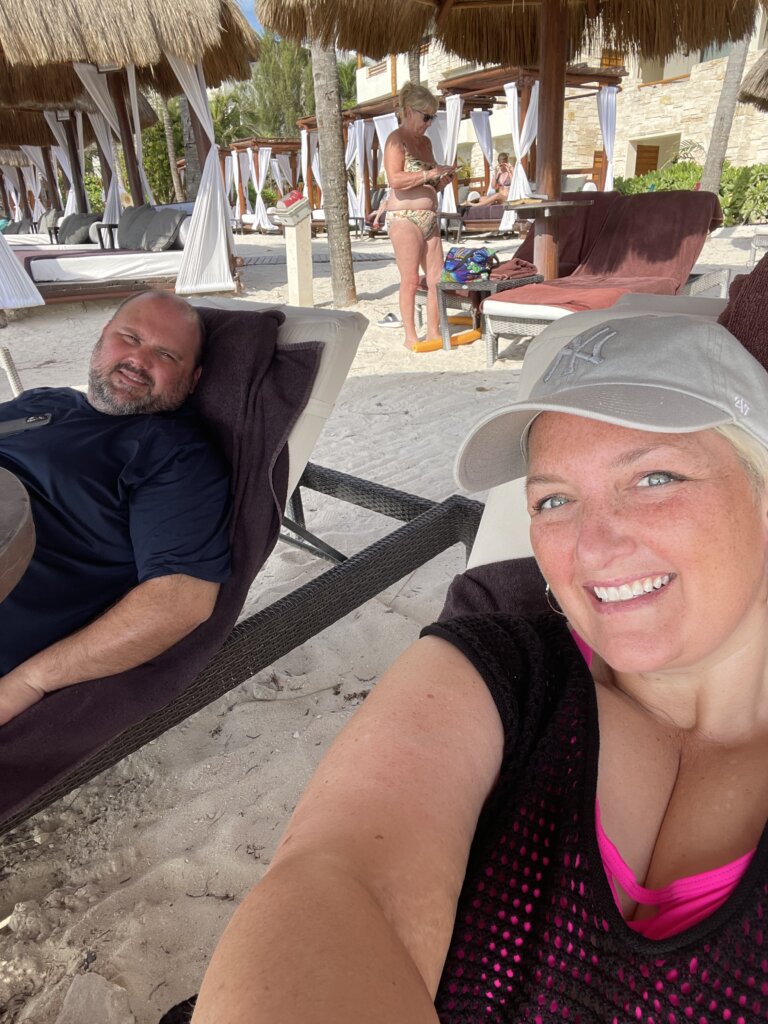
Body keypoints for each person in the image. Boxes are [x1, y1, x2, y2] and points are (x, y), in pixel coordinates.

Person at [192, 313, 768, 1023]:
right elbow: (338, 883)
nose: (591, 546)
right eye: (553, 499)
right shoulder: (498, 670)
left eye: (653, 477)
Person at [0, 290, 231, 725]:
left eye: (166, 354)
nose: (139, 361)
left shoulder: (171, 453)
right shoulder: (43, 402)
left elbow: (181, 600)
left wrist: (29, 681)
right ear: (102, 338)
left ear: (194, 378)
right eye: (129, 338)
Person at [384, 82, 457, 350]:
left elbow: (428, 182)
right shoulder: (396, 139)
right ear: (408, 111)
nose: (428, 123)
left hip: (429, 216)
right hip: (404, 217)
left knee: (437, 278)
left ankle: (434, 332)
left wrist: (442, 180)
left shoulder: (425, 143)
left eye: (432, 117)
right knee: (411, 279)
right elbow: (395, 179)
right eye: (425, 117)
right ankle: (410, 335)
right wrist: (429, 174)